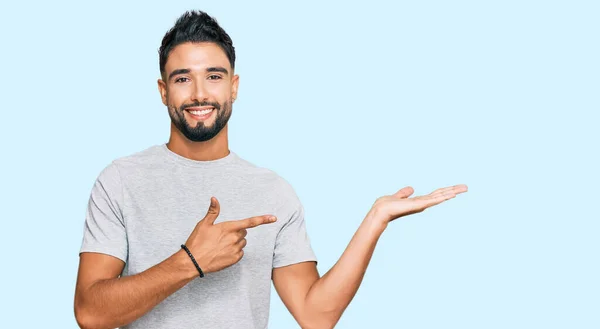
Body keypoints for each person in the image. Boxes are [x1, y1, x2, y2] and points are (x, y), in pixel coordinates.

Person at [73, 10, 467, 329]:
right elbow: (90, 313)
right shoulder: (120, 181)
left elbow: (316, 315)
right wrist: (190, 261)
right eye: (182, 79)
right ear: (163, 91)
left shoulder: (273, 191)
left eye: (214, 76)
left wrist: (375, 220)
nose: (199, 93)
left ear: (234, 86)